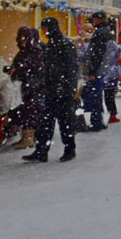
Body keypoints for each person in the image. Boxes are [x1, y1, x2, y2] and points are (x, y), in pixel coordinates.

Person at [24, 17, 78, 163]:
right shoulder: (51, 45)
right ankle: (42, 150)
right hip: (51, 90)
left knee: (63, 122)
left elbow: (72, 69)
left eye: (44, 28)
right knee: (45, 123)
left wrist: (69, 89)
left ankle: (69, 149)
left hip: (61, 91)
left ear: (50, 28)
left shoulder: (64, 45)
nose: (43, 31)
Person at [4, 26, 45, 150]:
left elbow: (29, 69)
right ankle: (28, 137)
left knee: (29, 112)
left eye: (23, 36)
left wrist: (16, 70)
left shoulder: (33, 51)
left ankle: (28, 138)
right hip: (30, 87)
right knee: (29, 112)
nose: (21, 39)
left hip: (31, 88)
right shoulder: (31, 50)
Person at [83, 11, 111, 131]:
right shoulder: (106, 31)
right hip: (102, 69)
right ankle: (99, 119)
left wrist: (92, 71)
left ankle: (96, 122)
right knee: (97, 96)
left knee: (95, 96)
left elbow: (96, 54)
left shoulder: (100, 33)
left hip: (97, 70)